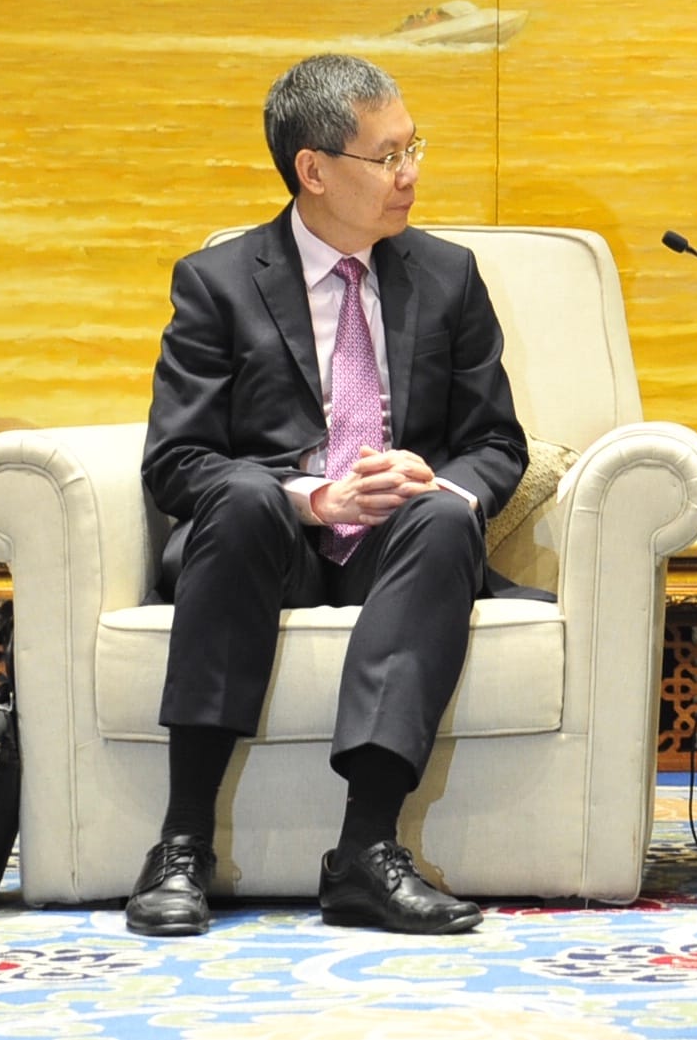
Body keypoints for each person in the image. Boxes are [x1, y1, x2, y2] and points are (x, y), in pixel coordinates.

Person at [125, 55, 529, 939]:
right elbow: (176, 461)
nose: (411, 172)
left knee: (444, 512)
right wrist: (314, 498)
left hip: (396, 548)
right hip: (267, 546)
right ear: (314, 169)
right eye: (388, 156)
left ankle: (366, 853)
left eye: (412, 147)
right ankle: (182, 843)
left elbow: (498, 444)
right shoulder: (218, 282)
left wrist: (434, 479)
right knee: (238, 495)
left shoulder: (448, 275)